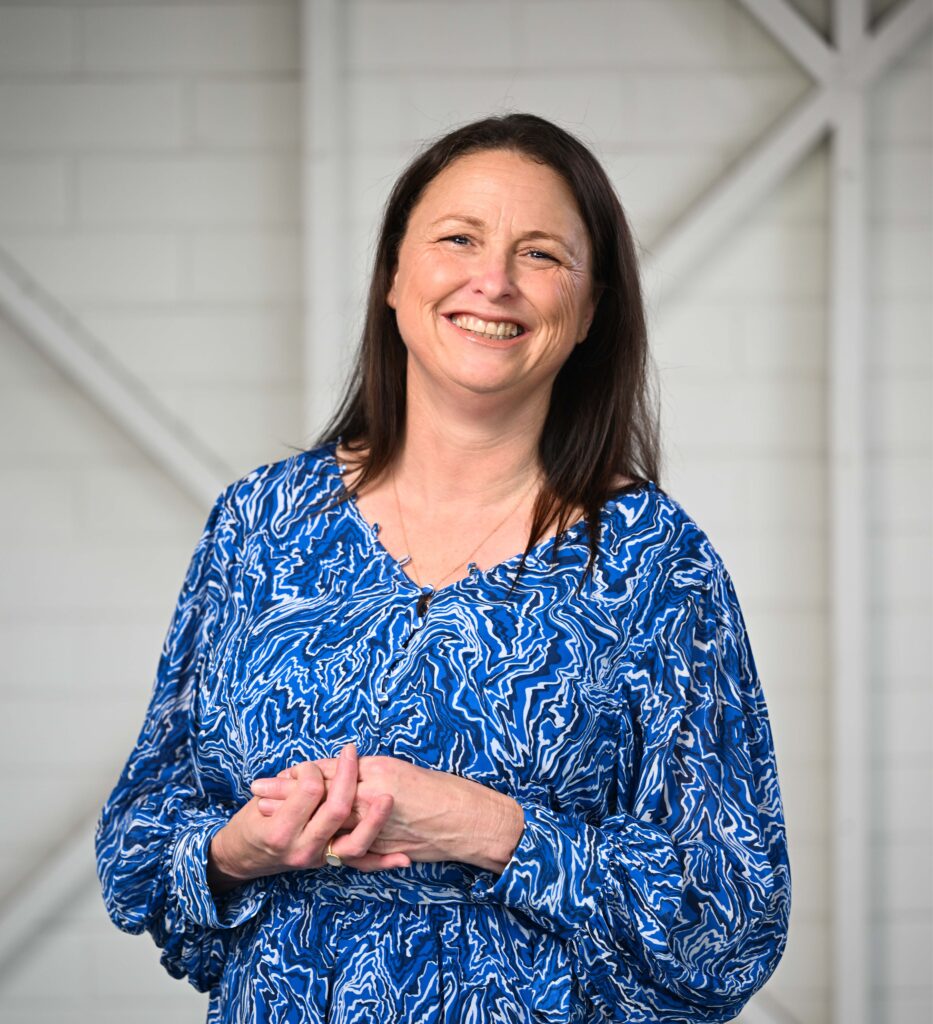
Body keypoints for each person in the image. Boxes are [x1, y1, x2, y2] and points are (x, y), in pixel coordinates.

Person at [96, 113, 790, 1022]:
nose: (492, 281)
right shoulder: (258, 525)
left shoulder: (656, 564)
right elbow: (137, 849)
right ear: (393, 275)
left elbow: (731, 921)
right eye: (458, 238)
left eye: (540, 255)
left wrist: (489, 828)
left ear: (589, 311)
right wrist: (239, 849)